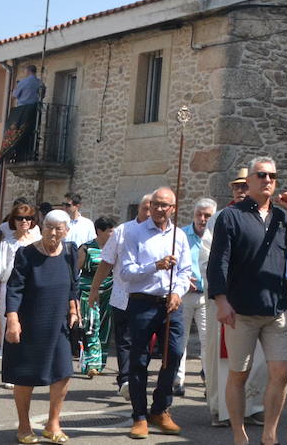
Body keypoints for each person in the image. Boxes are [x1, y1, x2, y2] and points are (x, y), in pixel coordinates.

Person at [207, 157, 287, 445]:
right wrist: (220, 300)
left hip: (276, 309)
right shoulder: (231, 217)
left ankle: (270, 435)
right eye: (262, 175)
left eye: (272, 176)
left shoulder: (281, 218)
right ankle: (238, 434)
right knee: (239, 375)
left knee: (281, 371)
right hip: (240, 310)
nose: (268, 180)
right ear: (250, 181)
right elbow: (219, 261)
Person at [117, 186, 193, 439]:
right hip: (141, 303)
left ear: (173, 208)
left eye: (165, 205)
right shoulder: (133, 233)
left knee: (173, 354)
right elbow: (126, 272)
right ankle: (139, 416)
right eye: (156, 204)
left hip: (170, 305)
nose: (160, 209)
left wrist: (177, 293)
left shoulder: (179, 236)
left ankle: (160, 409)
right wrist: (155, 266)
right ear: (150, 207)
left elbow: (184, 272)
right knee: (139, 361)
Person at [4, 209, 80, 445]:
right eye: (49, 227)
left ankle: (53, 424)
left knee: (63, 372)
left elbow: (72, 285)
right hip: (30, 322)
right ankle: (24, 426)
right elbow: (14, 288)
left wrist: (74, 310)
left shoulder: (69, 251)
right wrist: (13, 320)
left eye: (59, 228)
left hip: (59, 323)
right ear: (42, 227)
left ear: (66, 231)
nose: (53, 232)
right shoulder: (26, 253)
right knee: (25, 375)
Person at [202, 170, 269, 428]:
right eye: (237, 186)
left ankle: (251, 407)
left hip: (254, 299)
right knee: (224, 356)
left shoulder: (264, 217)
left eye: (245, 185)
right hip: (228, 299)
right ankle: (222, 409)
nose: (241, 191)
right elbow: (207, 257)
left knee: (257, 356)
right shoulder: (220, 218)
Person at [89, 193, 152, 399]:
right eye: (146, 208)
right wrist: (95, 288)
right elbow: (106, 261)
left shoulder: (163, 235)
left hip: (150, 299)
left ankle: (135, 377)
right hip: (123, 295)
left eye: (154, 208)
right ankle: (125, 379)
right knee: (124, 340)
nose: (150, 212)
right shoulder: (122, 231)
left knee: (141, 342)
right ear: (139, 210)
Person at [0, 203, 40, 367]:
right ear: (14, 220)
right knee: (7, 326)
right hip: (9, 288)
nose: (24, 221)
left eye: (28, 218)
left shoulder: (39, 243)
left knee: (29, 327)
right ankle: (10, 369)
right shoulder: (6, 244)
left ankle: (25, 368)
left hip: (33, 289)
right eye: (20, 218)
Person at [175, 197, 215, 396]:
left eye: (207, 215)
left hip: (207, 296)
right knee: (180, 339)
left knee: (208, 341)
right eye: (199, 215)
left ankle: (209, 380)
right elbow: (173, 262)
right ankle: (178, 379)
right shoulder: (182, 234)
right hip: (185, 295)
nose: (202, 219)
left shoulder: (218, 235)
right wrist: (181, 277)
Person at [77, 215, 116, 377]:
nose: (113, 234)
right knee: (92, 325)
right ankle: (92, 364)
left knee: (105, 327)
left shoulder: (115, 248)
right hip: (88, 292)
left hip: (109, 291)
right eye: (110, 231)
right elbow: (75, 271)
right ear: (99, 231)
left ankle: (99, 363)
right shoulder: (86, 248)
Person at [0, 65, 44, 165]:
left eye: (25, 70)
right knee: (31, 132)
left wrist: (15, 88)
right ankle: (29, 153)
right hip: (35, 110)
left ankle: (11, 154)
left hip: (22, 110)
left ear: (27, 71)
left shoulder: (24, 82)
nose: (24, 72)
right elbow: (42, 94)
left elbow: (14, 96)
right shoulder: (39, 83)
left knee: (14, 132)